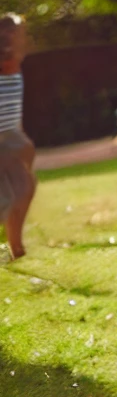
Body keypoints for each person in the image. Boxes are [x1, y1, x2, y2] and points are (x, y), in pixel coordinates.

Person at [0, 14, 36, 264]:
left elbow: (14, 109)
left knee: (23, 189)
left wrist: (20, 139)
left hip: (10, 138)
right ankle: (15, 249)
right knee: (18, 192)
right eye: (20, 36)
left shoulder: (17, 68)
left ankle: (14, 248)